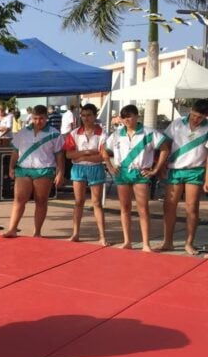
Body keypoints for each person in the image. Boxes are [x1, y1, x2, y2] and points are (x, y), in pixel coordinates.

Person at [103, 104, 169, 252]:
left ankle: (146, 244)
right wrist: (110, 166)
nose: (127, 120)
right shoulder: (117, 134)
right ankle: (127, 241)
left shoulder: (149, 133)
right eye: (124, 118)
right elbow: (104, 151)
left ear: (137, 116)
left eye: (129, 117)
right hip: (122, 173)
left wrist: (156, 169)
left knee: (143, 208)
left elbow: (165, 148)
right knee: (125, 207)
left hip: (140, 172)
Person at [2, 105, 65, 239]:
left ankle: (37, 232)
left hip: (44, 169)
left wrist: (60, 173)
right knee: (19, 199)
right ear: (32, 118)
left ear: (46, 118)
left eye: (41, 118)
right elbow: (15, 151)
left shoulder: (54, 134)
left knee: (41, 200)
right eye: (35, 118)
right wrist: (11, 167)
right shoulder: (23, 132)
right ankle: (12, 229)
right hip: (23, 169)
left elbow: (59, 155)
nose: (38, 121)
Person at [157, 99, 208, 255]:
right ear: (190, 111)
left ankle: (189, 243)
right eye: (193, 115)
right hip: (175, 169)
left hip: (195, 170)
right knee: (169, 206)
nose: (195, 119)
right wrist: (161, 165)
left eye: (199, 117)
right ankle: (168, 242)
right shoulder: (177, 123)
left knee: (192, 207)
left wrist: (207, 178)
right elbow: (164, 143)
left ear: (206, 116)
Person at [62, 103, 109, 245]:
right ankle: (75, 233)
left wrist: (81, 156)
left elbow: (102, 156)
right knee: (78, 202)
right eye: (83, 115)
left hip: (95, 167)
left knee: (97, 203)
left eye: (89, 115)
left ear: (95, 116)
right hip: (79, 168)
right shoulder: (74, 133)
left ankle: (102, 236)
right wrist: (87, 152)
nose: (86, 118)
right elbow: (69, 154)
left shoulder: (102, 133)